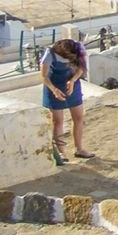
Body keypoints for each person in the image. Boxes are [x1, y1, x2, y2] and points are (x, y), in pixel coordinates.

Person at [40, 34, 89, 164]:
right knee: (58, 121)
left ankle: (79, 149)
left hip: (72, 84)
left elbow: (81, 68)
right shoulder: (50, 52)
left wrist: (73, 81)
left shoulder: (78, 48)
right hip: (53, 86)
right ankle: (61, 152)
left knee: (78, 117)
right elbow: (44, 76)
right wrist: (54, 90)